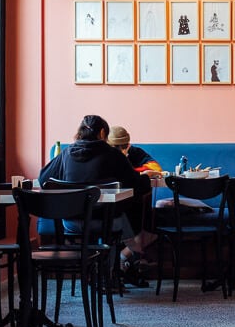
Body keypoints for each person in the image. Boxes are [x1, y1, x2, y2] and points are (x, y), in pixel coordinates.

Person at [39, 114, 152, 286]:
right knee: (117, 221)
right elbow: (136, 185)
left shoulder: (66, 154)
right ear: (101, 133)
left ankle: (95, 274)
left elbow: (43, 179)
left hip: (71, 222)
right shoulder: (113, 154)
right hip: (104, 222)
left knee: (114, 220)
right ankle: (111, 274)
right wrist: (146, 178)